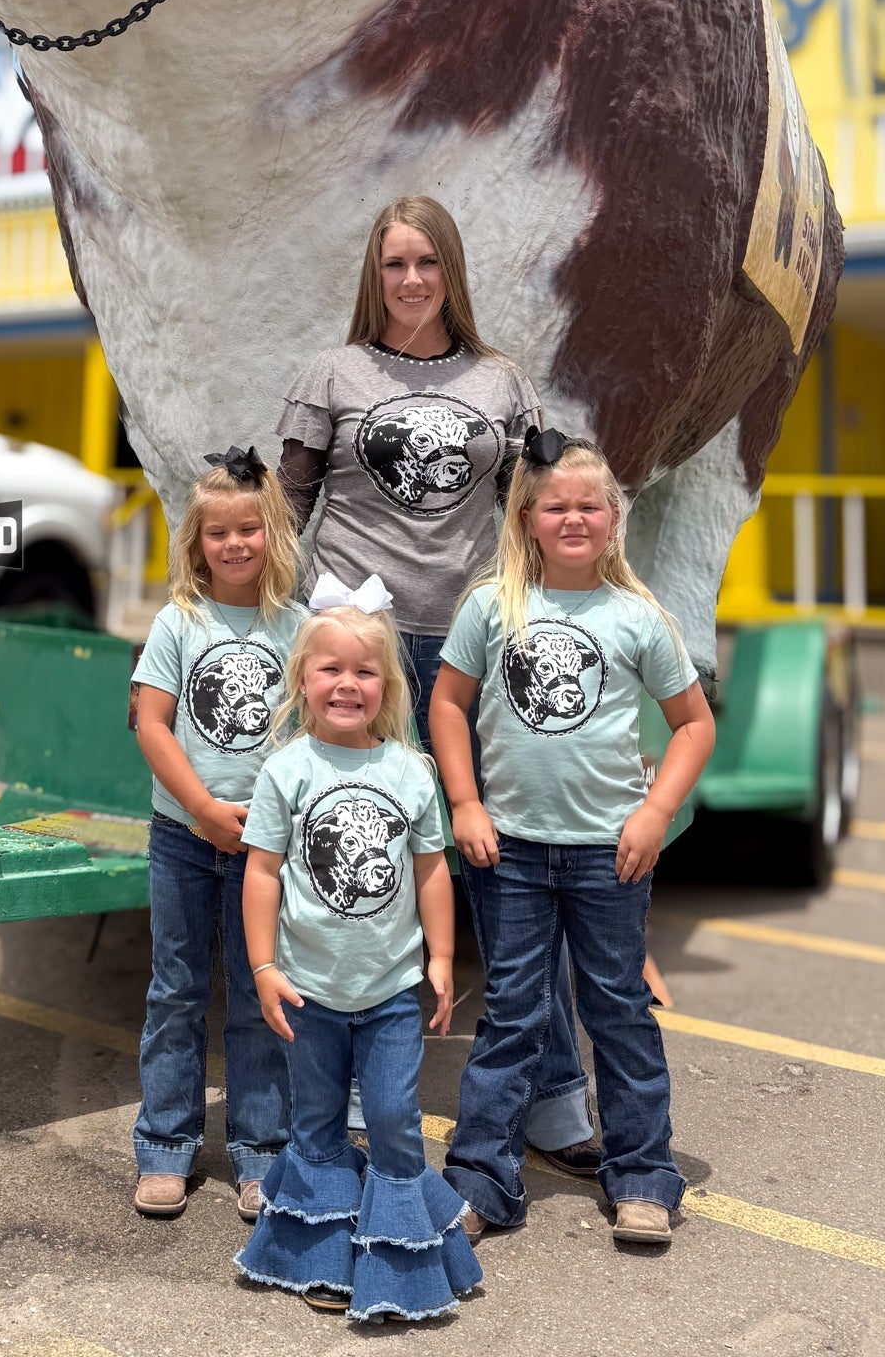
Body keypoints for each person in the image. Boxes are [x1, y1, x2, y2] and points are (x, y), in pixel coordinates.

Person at [277, 193, 596, 1168]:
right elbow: (280, 514)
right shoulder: (328, 375)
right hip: (363, 655)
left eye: (425, 262)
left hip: (471, 654)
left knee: (511, 874)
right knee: (371, 873)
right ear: (371, 278)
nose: (409, 280)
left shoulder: (501, 383)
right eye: (392, 264)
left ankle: (552, 1090)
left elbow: (530, 515)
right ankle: (374, 1099)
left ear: (450, 272)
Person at [430, 430, 716, 1247]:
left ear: (613, 518)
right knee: (512, 1017)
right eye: (555, 506)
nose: (573, 518)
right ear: (525, 519)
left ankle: (643, 1178)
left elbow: (691, 725)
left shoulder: (637, 618)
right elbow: (448, 705)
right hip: (509, 850)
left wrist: (654, 812)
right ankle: (480, 1179)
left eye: (589, 505)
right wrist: (465, 802)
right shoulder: (491, 606)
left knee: (618, 1011)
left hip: (608, 854)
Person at [235, 582, 482, 1321]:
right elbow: (260, 874)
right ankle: (322, 1256)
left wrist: (440, 958)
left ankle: (407, 1261)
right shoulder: (285, 771)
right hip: (309, 991)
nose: (347, 684)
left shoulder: (411, 771)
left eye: (364, 672)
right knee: (314, 1123)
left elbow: (432, 869)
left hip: (388, 993)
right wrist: (263, 968)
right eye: (330, 670)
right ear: (303, 681)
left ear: (389, 685)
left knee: (391, 1116)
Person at [130, 446, 303, 1222]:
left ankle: (260, 1154)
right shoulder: (179, 621)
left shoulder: (299, 628)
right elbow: (153, 724)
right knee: (176, 991)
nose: (234, 545)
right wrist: (202, 808)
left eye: (248, 530)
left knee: (257, 996)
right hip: (183, 839)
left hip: (265, 850)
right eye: (217, 534)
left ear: (273, 535)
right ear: (196, 545)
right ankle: (164, 1147)